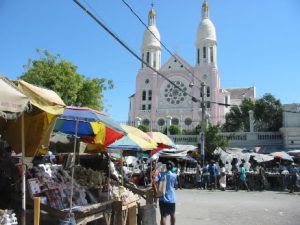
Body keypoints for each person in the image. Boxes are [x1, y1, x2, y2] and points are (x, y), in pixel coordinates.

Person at [156, 161, 177, 225]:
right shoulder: (174, 175)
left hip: (163, 198)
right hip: (172, 198)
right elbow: (175, 185)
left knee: (163, 216)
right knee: (172, 214)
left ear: (166, 167)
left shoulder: (161, 174)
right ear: (172, 167)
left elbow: (155, 181)